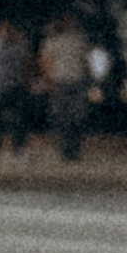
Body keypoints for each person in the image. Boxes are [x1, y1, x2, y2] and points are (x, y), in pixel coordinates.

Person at [40, 12, 94, 164]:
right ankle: (66, 150)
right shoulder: (52, 40)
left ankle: (74, 149)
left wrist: (88, 78)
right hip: (60, 82)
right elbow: (46, 61)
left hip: (77, 81)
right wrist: (49, 79)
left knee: (78, 117)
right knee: (61, 117)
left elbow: (86, 60)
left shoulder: (80, 40)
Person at [0, 14, 34, 156]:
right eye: (4, 29)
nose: (7, 32)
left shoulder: (22, 45)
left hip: (18, 86)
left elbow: (27, 64)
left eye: (10, 29)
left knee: (20, 119)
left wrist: (27, 82)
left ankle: (19, 146)